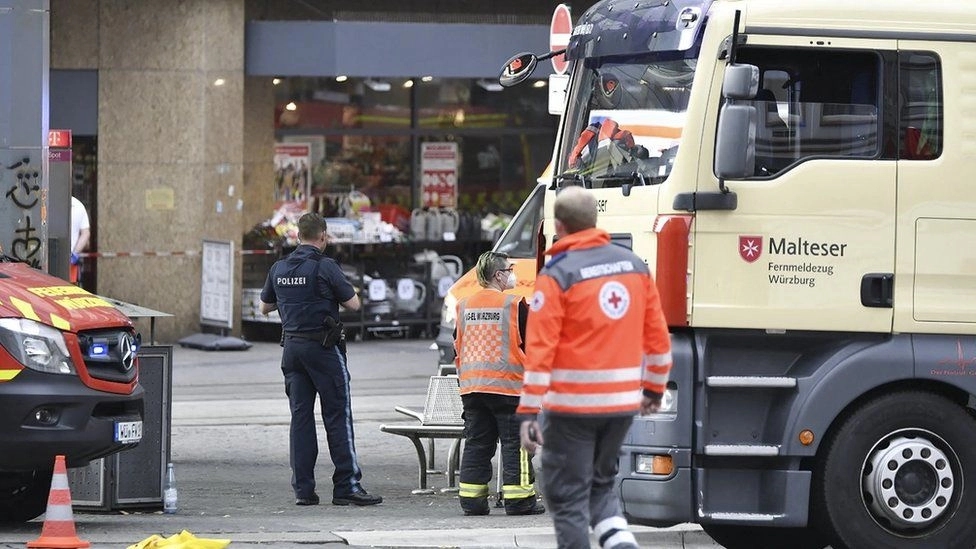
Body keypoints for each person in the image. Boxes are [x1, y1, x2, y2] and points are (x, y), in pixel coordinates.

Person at [517, 186, 672, 549]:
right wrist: (653, 390)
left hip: (571, 409)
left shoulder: (557, 275)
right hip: (621, 406)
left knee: (567, 497)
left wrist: (528, 412)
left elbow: (540, 351)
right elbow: (658, 339)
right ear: (594, 220)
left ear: (559, 225)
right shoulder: (634, 266)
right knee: (600, 488)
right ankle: (621, 544)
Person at [259, 213, 382, 507]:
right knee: (337, 416)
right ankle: (346, 486)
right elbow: (353, 303)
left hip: (292, 350)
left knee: (301, 419)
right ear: (323, 236)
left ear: (298, 236)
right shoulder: (325, 266)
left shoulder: (279, 268)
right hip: (323, 350)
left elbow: (265, 307)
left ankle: (303, 491)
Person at [454, 251, 545, 517]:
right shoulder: (515, 305)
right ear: (498, 275)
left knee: (477, 444)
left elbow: (457, 346)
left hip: (473, 388)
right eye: (509, 269)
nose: (512, 274)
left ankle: (472, 501)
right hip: (509, 388)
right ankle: (519, 501)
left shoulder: (463, 305)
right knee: (516, 445)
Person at [70, 196, 90, 284]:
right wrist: (75, 253)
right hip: (70, 262)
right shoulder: (78, 205)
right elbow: (85, 233)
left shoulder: (45, 202)